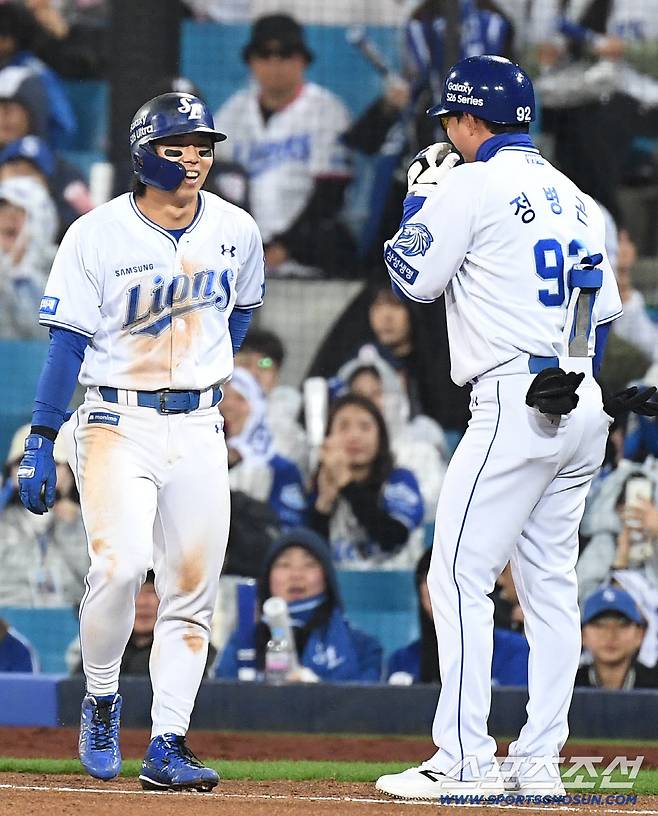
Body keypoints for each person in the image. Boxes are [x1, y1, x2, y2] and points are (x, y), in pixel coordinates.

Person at [375, 55, 629, 800]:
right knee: (550, 585)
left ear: (469, 119)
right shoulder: (578, 199)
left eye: (452, 120)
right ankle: (540, 763)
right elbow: (599, 314)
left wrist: (418, 202)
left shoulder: (469, 182)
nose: (449, 134)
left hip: (515, 397)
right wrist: (581, 381)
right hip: (578, 397)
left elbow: (411, 280)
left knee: (457, 576)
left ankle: (463, 759)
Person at [15, 91, 265, 791]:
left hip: (199, 425)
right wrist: (41, 436)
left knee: (192, 589)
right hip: (115, 421)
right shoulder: (95, 234)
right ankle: (101, 696)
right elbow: (66, 346)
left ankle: (168, 742)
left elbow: (239, 316)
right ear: (142, 154)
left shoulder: (237, 228)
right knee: (122, 567)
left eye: (202, 147)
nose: (193, 159)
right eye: (176, 146)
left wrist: (207, 374)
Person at [213, 13, 354, 277]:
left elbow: (330, 195)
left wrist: (285, 247)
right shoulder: (232, 113)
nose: (275, 63)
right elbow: (213, 186)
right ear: (251, 61)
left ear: (303, 60)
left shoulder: (326, 109)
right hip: (241, 253)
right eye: (265, 54)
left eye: (285, 54)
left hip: (309, 254)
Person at [215, 527, 383, 682]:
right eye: (284, 565)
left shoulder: (362, 647)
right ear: (268, 579)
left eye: (309, 564)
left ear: (327, 577)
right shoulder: (242, 644)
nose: (296, 575)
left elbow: (366, 701)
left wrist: (314, 692)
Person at [309, 393, 424, 569]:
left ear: (380, 436)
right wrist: (323, 504)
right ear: (328, 438)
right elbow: (309, 555)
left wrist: (347, 484)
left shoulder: (400, 480)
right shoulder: (320, 482)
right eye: (343, 427)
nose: (355, 436)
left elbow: (393, 537)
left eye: (365, 427)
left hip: (395, 582)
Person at [387, 550, 529, 686]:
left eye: (449, 579)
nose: (441, 589)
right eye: (430, 580)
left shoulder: (516, 651)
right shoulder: (402, 662)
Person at [0, 422, 88, 607]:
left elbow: (99, 582)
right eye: (24, 462)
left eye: (52, 463)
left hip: (73, 620)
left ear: (71, 472)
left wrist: (71, 528)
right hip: (9, 618)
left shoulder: (90, 523)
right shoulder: (3, 521)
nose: (38, 471)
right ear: (10, 471)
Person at [69, 571, 217, 676]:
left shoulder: (191, 652)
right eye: (135, 593)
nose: (142, 603)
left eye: (151, 592)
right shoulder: (102, 653)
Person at [222, 366, 308, 529]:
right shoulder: (202, 461)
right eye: (223, 398)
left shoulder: (281, 468)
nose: (228, 406)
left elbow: (288, 528)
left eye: (240, 398)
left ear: (257, 406)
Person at [0, 175, 57, 339]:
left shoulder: (61, 269)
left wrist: (16, 270)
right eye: (3, 209)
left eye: (19, 210)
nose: (8, 217)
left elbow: (43, 337)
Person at [576, 585, 658, 689]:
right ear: (582, 634)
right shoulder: (567, 684)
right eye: (600, 625)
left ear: (640, 633)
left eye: (622, 625)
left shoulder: (654, 683)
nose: (610, 635)